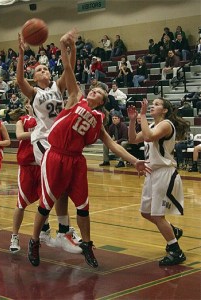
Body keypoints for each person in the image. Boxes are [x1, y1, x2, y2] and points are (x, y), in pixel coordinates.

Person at [27, 29, 151, 269]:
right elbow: (68, 70)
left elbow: (112, 144)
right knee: (46, 202)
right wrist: (66, 47)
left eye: (98, 93)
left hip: (76, 160)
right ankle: (34, 241)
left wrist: (134, 161)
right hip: (55, 155)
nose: (93, 91)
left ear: (103, 101)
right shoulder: (76, 97)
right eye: (93, 89)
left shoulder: (98, 119)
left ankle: (87, 244)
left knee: (83, 207)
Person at [17, 31, 82, 254]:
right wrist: (20, 54)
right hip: (43, 143)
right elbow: (18, 80)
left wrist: (71, 48)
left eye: (45, 68)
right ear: (34, 77)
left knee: (61, 188)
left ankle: (61, 230)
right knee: (55, 186)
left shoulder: (57, 87)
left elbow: (69, 69)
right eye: (39, 70)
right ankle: (44, 232)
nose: (43, 70)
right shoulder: (34, 93)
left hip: (60, 142)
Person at [128, 98, 189, 266]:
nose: (152, 106)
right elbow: (133, 139)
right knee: (145, 212)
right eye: (152, 104)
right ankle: (173, 231)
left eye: (156, 104)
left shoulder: (166, 124)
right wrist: (133, 121)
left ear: (164, 111)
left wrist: (142, 115)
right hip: (151, 173)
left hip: (164, 172)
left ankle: (176, 251)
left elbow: (148, 137)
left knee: (157, 214)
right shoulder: (153, 126)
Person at [9, 101, 43, 253]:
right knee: (21, 203)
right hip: (27, 166)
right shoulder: (22, 120)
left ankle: (44, 230)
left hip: (43, 165)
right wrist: (39, 132)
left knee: (45, 202)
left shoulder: (46, 119)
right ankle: (14, 235)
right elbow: (19, 135)